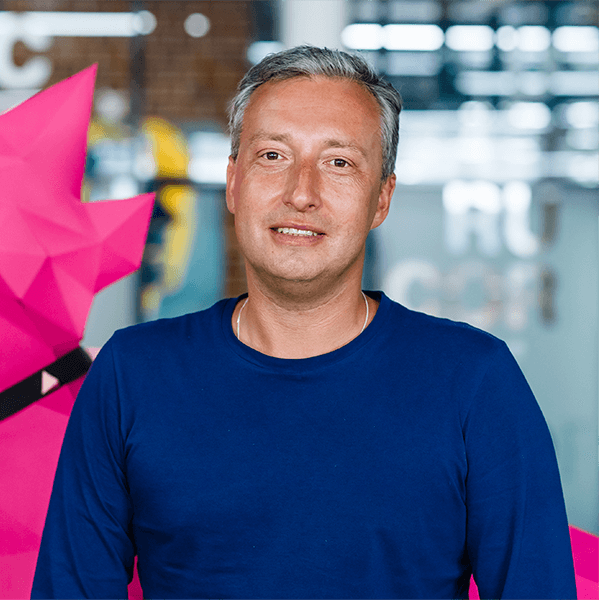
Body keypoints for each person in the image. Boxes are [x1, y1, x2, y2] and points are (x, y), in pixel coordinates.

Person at [32, 46, 576, 599]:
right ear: (234, 182)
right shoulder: (133, 373)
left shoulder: (473, 381)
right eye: (273, 156)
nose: (301, 193)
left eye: (339, 163)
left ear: (381, 198)